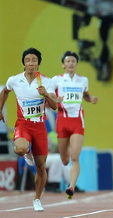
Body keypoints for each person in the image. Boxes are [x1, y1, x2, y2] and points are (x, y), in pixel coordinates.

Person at [0, 48, 58, 212]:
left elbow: (54, 107)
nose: (31, 63)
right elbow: (4, 92)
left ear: (38, 63)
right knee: (20, 148)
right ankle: (26, 152)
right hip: (23, 125)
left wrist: (46, 95)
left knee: (41, 167)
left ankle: (37, 199)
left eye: (34, 60)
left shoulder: (47, 82)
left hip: (39, 127)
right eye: (28, 60)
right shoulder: (14, 80)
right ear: (24, 63)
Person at [51, 51, 98, 199]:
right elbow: (50, 95)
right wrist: (55, 98)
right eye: (68, 61)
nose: (71, 63)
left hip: (77, 121)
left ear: (76, 64)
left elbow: (85, 94)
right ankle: (67, 171)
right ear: (63, 65)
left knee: (75, 157)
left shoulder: (83, 80)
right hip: (62, 121)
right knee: (64, 159)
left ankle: (71, 186)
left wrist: (91, 99)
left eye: (73, 61)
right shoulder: (57, 80)